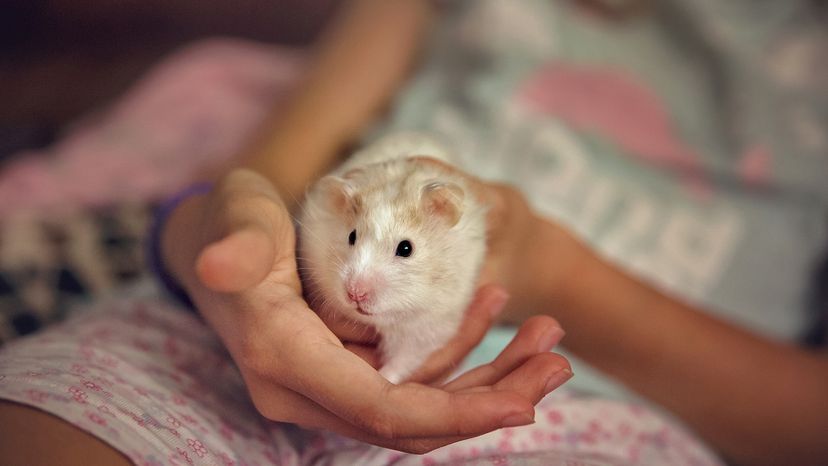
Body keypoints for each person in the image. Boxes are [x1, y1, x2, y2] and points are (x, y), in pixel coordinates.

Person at [1, 0, 826, 465]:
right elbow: (258, 186)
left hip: (587, 408)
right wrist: (229, 260)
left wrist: (548, 269)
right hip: (235, 331)